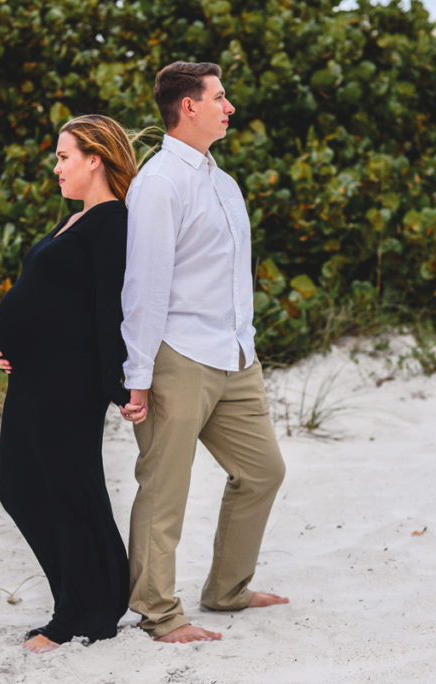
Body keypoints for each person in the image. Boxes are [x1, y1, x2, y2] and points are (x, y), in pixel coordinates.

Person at [119, 61, 288, 643]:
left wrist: (247, 345)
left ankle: (227, 589)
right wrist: (137, 375)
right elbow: (143, 286)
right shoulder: (159, 182)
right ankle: (159, 613)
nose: (229, 107)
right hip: (178, 358)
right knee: (165, 489)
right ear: (188, 107)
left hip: (236, 357)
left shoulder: (223, 181)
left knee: (263, 471)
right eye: (220, 97)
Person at [0, 114, 136, 654]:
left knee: (65, 491)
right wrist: (1, 345)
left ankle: (82, 614)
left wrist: (117, 384)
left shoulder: (112, 220)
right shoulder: (74, 220)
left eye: (63, 156)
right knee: (23, 490)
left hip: (69, 382)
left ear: (95, 159)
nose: (56, 167)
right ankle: (96, 595)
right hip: (35, 376)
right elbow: (42, 297)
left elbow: (108, 309)